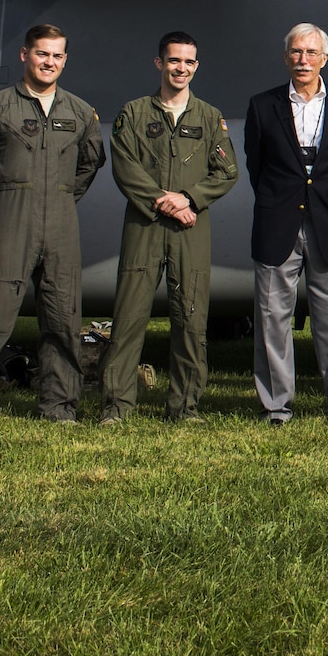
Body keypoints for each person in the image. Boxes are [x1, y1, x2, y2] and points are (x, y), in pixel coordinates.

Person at [0, 24, 105, 428]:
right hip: (8, 224)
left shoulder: (81, 113)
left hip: (61, 227)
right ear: (25, 55)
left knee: (63, 320)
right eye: (41, 54)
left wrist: (65, 196)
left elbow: (91, 162)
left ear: (65, 60)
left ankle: (60, 407)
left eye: (56, 56)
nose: (49, 62)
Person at [99, 32, 239, 424]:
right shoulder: (135, 113)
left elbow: (227, 172)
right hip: (144, 225)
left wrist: (189, 198)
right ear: (159, 63)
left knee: (191, 319)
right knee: (128, 317)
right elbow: (125, 166)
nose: (181, 68)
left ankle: (184, 407)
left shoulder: (209, 117)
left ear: (197, 67)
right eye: (174, 61)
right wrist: (167, 202)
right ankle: (116, 405)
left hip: (190, 230)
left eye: (189, 62)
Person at [243, 23, 328, 426]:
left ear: (324, 59)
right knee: (271, 317)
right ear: (286, 57)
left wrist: (320, 199)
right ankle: (276, 405)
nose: (303, 60)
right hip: (278, 222)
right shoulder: (263, 105)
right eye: (296, 52)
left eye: (311, 53)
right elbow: (256, 166)